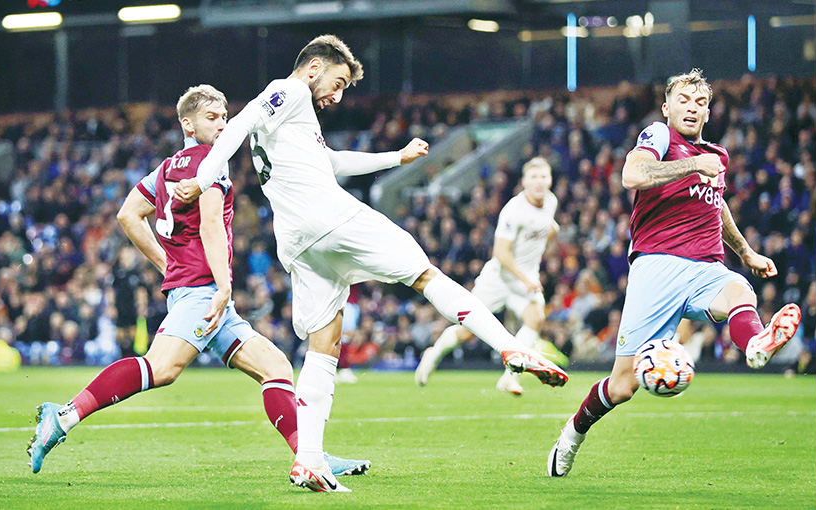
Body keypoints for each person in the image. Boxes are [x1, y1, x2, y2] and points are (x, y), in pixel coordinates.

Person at [174, 35, 568, 492]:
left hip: (297, 240)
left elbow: (332, 160)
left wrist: (395, 157)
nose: (337, 96)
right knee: (425, 275)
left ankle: (309, 459)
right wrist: (203, 180)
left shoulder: (294, 122)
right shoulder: (292, 90)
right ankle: (509, 346)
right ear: (315, 67)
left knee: (326, 342)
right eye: (337, 83)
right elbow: (240, 123)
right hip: (330, 216)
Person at [28, 84, 370, 479]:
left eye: (225, 117)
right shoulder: (211, 163)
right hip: (205, 292)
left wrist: (166, 266)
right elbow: (210, 225)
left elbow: (128, 214)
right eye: (212, 118)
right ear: (187, 123)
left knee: (275, 367)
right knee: (162, 368)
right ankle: (64, 416)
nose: (223, 125)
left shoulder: (167, 168)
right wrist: (223, 287)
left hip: (195, 288)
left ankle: (311, 458)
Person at [547, 68, 802, 477]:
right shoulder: (660, 136)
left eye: (700, 102)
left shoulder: (716, 156)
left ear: (708, 113)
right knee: (622, 386)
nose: (692, 107)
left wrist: (747, 251)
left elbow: (716, 205)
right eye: (684, 100)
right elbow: (633, 175)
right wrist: (690, 166)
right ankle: (571, 436)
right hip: (657, 267)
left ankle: (756, 343)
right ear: (667, 108)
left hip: (706, 266)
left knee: (740, 289)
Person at [414, 157, 566, 395]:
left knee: (535, 319)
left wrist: (551, 231)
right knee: (467, 332)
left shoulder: (551, 202)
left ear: (550, 180)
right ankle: (434, 353)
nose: (539, 182)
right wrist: (526, 279)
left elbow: (544, 227)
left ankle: (510, 377)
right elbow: (501, 252)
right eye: (534, 177)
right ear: (524, 181)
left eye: (544, 176)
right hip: (499, 279)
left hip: (526, 279)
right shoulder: (513, 211)